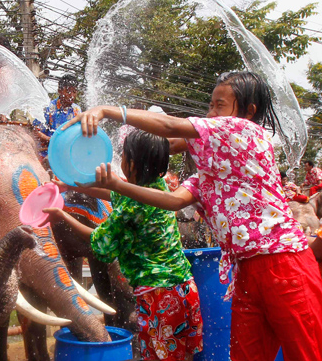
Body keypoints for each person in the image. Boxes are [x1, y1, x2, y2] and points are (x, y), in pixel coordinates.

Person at [62, 71, 322, 360]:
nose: (210, 113)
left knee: (307, 352)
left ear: (249, 111)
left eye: (219, 105)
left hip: (283, 265)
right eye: (210, 106)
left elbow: (169, 127)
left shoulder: (245, 131)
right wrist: (88, 174)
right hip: (245, 272)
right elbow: (171, 198)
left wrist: (106, 111)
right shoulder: (211, 175)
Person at [45, 129, 203, 361]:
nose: (121, 161)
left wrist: (63, 216)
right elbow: (114, 193)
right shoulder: (157, 187)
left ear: (133, 164)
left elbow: (99, 241)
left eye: (124, 156)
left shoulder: (133, 208)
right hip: (183, 289)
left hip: (158, 297)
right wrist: (71, 186)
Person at [32, 74, 82, 157]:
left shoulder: (77, 110)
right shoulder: (48, 108)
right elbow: (35, 131)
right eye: (68, 91)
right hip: (47, 153)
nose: (72, 96)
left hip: (68, 154)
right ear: (60, 91)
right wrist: (52, 140)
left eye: (74, 92)